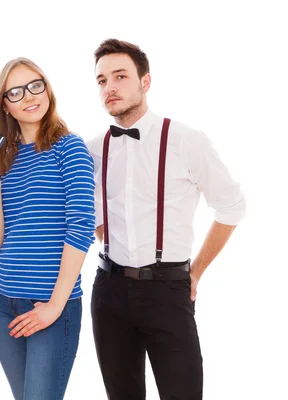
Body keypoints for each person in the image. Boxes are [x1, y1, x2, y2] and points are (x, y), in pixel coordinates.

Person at [87, 38, 246, 400]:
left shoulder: (187, 140)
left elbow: (232, 206)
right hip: (108, 291)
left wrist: (196, 272)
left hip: (168, 290)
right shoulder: (94, 147)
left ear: (145, 82)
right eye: (101, 80)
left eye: (120, 76)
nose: (109, 87)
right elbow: (90, 214)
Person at [0, 57, 95, 400]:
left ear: (47, 88)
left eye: (36, 85)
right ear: (4, 105)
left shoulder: (70, 148)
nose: (30, 96)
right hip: (3, 301)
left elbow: (81, 228)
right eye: (16, 92)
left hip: (51, 303)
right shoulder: (0, 158)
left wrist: (54, 305)